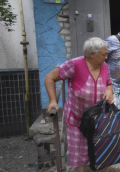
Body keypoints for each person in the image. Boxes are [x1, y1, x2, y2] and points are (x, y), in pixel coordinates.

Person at [45, 37, 113, 172]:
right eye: (104, 54)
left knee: (103, 155)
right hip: (77, 120)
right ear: (92, 54)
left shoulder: (104, 66)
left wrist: (109, 92)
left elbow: (109, 83)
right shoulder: (74, 65)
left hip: (98, 119)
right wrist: (53, 101)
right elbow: (49, 78)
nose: (106, 57)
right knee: (80, 160)